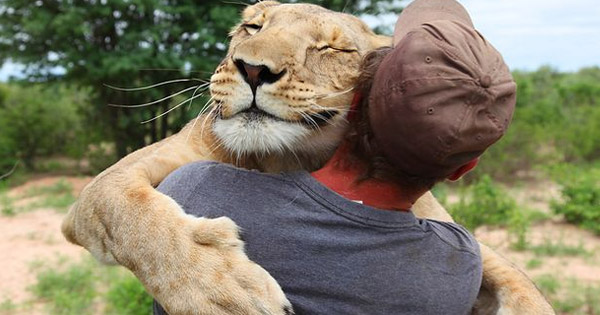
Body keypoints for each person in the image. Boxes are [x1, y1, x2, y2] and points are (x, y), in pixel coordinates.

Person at [153, 0, 516, 313]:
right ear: (464, 168)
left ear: (357, 99)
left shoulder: (197, 189)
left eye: (334, 50)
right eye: (251, 27)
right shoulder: (460, 266)